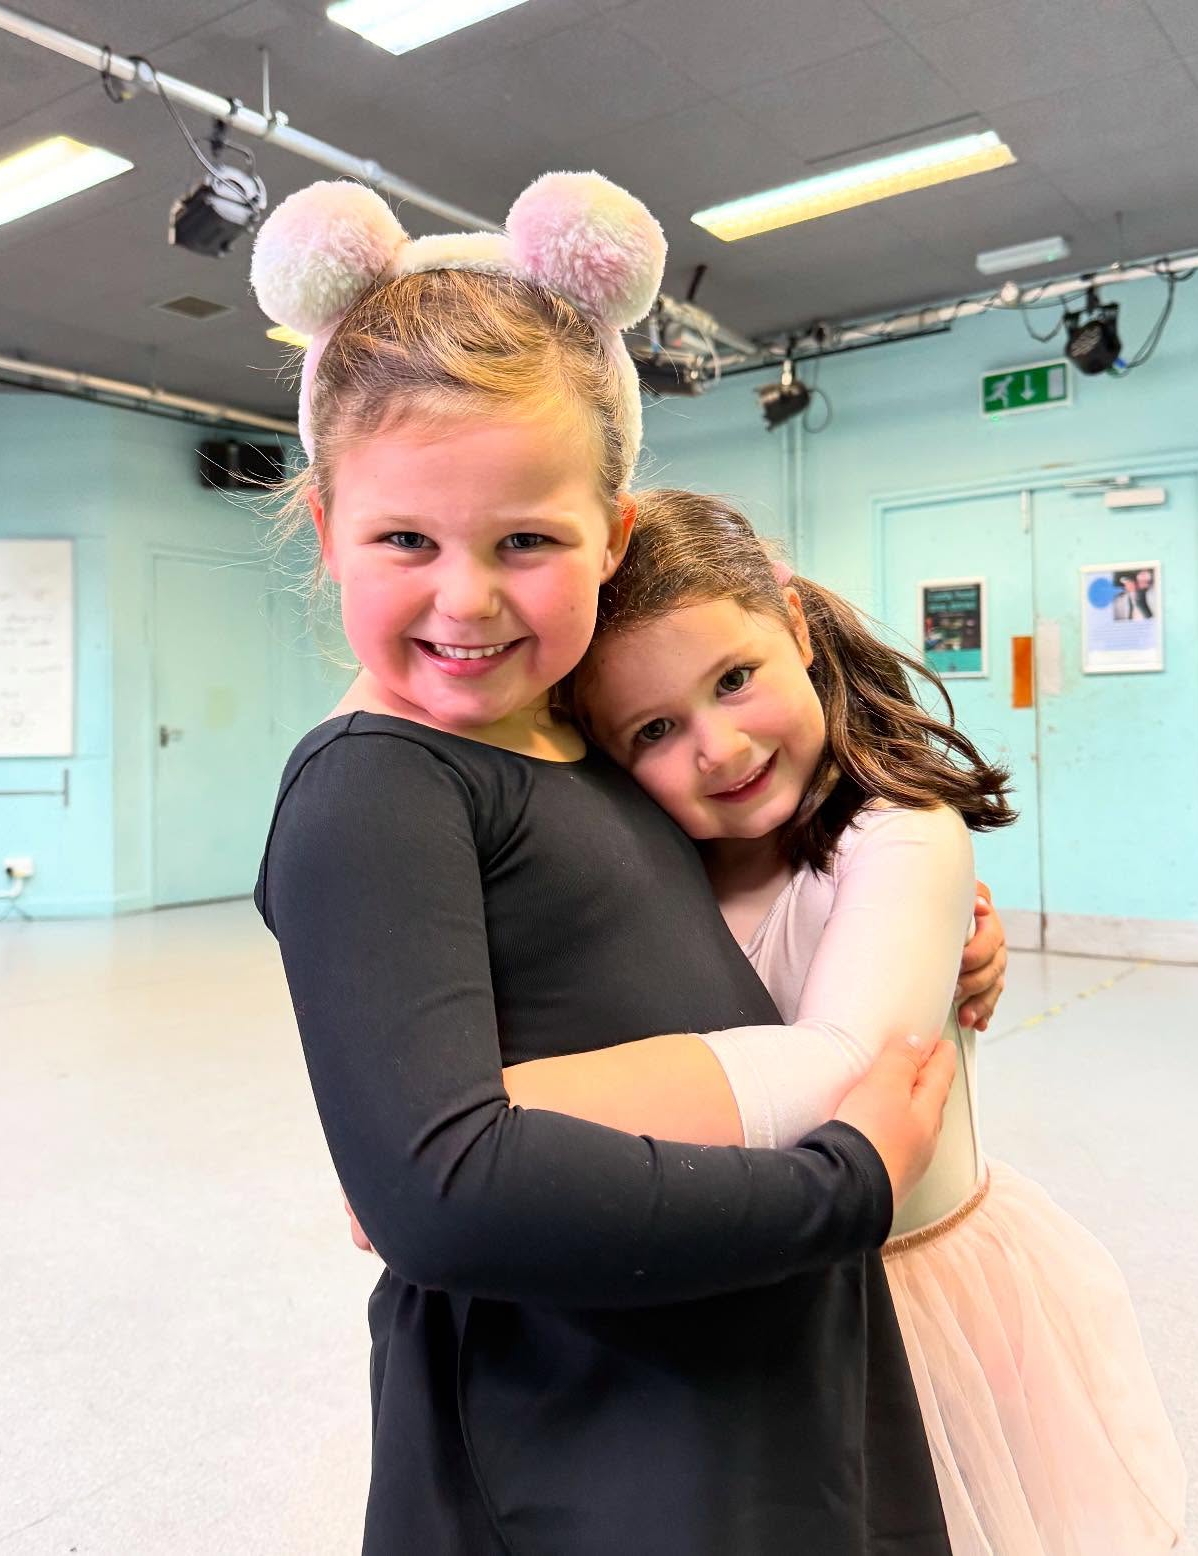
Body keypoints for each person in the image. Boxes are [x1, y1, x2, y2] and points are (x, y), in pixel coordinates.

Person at [250, 172, 971, 1554]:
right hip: (585, 1432)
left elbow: (681, 942)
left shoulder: (579, 736)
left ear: (615, 535)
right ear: (325, 521)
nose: (466, 598)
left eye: (528, 541)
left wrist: (923, 926)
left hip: (746, 1375)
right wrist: (845, 1184)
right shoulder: (374, 789)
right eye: (405, 539)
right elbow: (444, 1195)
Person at [483, 490, 1186, 1554]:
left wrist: (474, 1113)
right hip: (745, 1298)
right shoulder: (649, 874)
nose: (717, 747)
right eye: (656, 730)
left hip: (914, 1303)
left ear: (797, 629)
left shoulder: (900, 834)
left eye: (735, 678)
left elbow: (844, 1066)